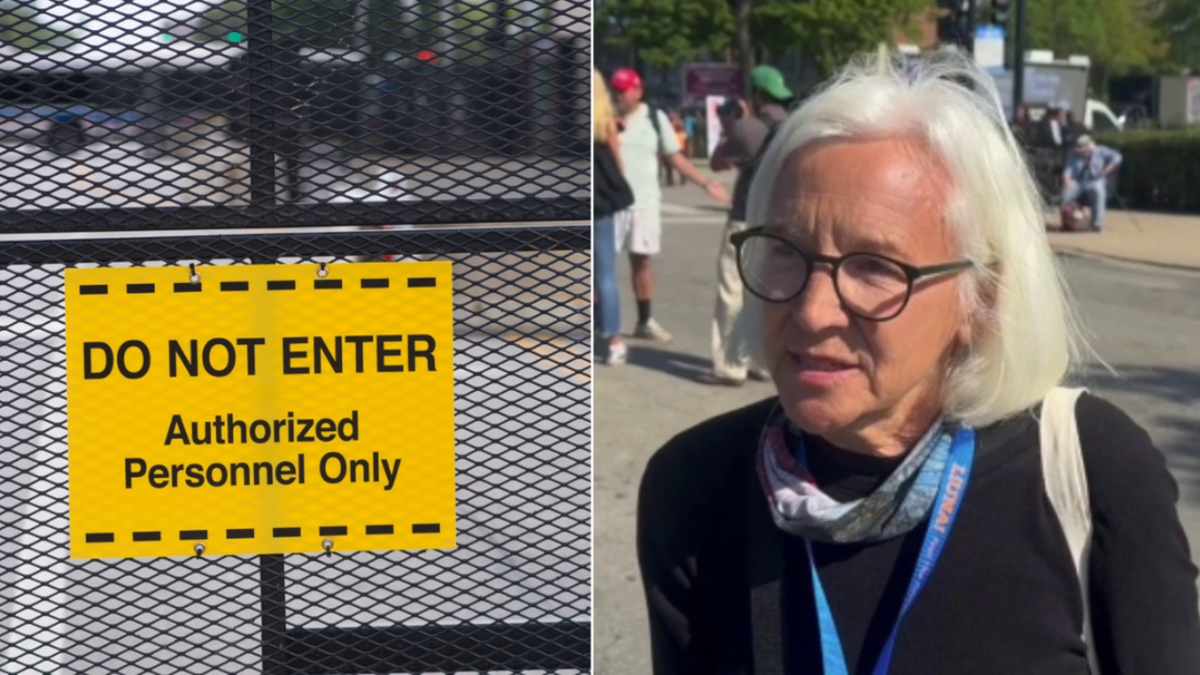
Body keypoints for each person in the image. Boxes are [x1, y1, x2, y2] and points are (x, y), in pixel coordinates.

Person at [638, 50, 1200, 674]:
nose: (812, 310)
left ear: (980, 298)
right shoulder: (694, 485)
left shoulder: (1089, 468)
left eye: (876, 266)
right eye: (785, 250)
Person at [610, 67, 730, 342]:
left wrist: (704, 183)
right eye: (615, 90)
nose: (619, 96)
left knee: (642, 262)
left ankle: (644, 320)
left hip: (644, 203)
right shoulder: (604, 118)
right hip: (610, 204)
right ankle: (600, 324)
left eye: (623, 90)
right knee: (603, 265)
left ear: (638, 90)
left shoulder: (655, 118)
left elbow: (674, 157)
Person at [701, 65, 793, 387]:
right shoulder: (792, 126)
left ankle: (730, 366)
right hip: (776, 223)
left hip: (743, 219)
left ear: (755, 94)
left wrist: (730, 124)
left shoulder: (746, 127)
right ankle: (761, 361)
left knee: (731, 291)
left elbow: (717, 163)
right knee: (763, 292)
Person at [593, 68, 632, 364]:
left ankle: (598, 325)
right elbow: (618, 162)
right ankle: (614, 339)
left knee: (592, 271)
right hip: (601, 202)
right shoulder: (605, 121)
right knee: (605, 271)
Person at [1062, 133, 1122, 232]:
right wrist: (1067, 181)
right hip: (1078, 180)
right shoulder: (1073, 154)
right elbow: (1067, 170)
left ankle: (1097, 224)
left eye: (1083, 150)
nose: (1081, 152)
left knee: (1098, 192)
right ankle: (1067, 222)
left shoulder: (1101, 151)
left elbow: (1118, 156)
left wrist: (1108, 168)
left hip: (1095, 179)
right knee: (1066, 194)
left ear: (1089, 147)